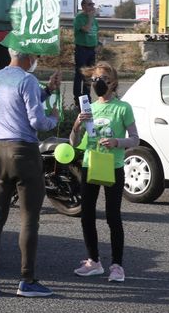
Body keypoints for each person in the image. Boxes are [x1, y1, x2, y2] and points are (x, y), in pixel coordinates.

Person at [0, 48, 60, 298]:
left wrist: (47, 91)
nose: (36, 60)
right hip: (24, 152)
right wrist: (53, 118)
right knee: (29, 217)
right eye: (35, 56)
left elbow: (14, 105)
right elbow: (36, 121)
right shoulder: (27, 79)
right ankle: (27, 279)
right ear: (27, 57)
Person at [68, 61, 138, 283]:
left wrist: (117, 141)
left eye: (104, 80)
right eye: (96, 79)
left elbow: (135, 139)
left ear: (113, 83)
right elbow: (74, 142)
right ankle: (93, 261)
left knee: (112, 216)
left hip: (113, 166)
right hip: (90, 164)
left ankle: (117, 265)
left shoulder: (122, 108)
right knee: (87, 214)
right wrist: (77, 125)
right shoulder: (89, 108)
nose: (99, 83)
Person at [73, 0, 100, 103]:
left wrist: (97, 44)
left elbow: (95, 31)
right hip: (81, 49)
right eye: (89, 4)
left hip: (91, 49)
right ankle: (77, 98)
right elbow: (86, 29)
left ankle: (86, 98)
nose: (92, 6)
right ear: (83, 6)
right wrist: (89, 18)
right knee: (80, 74)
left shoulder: (94, 19)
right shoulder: (79, 18)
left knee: (89, 74)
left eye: (92, 4)